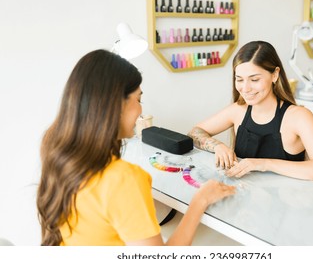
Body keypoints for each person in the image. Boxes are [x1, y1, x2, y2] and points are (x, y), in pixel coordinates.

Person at [37, 49, 235, 246]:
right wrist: (200, 201)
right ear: (115, 104)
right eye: (138, 99)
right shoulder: (124, 178)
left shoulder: (55, 148)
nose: (141, 110)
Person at [188, 41, 313, 184]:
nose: (245, 88)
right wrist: (217, 146)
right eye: (239, 79)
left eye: (254, 79)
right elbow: (194, 132)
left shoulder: (298, 117)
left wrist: (264, 164)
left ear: (275, 75)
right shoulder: (237, 110)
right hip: (244, 200)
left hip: (286, 205)